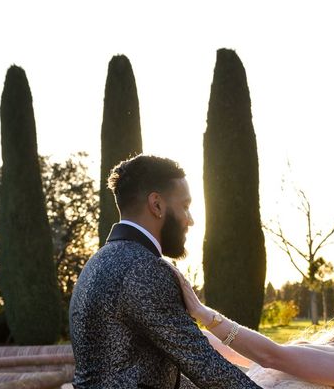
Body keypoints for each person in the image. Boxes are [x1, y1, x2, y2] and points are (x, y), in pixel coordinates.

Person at [69, 154, 261, 389]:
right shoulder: (144, 268)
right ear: (157, 205)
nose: (190, 220)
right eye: (185, 206)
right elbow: (203, 364)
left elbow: (152, 373)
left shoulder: (98, 261)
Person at [169, 267, 334, 389]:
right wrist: (178, 323)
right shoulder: (328, 342)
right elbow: (250, 357)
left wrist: (204, 313)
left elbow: (270, 355)